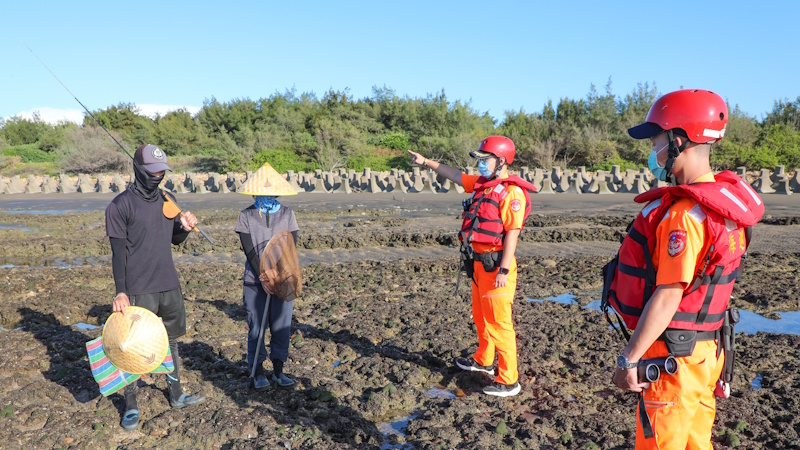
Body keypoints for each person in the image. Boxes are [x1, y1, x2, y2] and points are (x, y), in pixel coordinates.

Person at [602, 89, 764, 449]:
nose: (652, 150)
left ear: (677, 141)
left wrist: (628, 359)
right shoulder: (726, 207)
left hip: (673, 361)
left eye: (656, 139)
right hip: (708, 354)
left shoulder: (683, 216)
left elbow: (669, 293)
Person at [408, 136, 536, 397]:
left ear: (501, 161)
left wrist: (503, 269)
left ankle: (509, 380)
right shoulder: (485, 185)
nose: (480, 165)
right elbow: (455, 175)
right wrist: (426, 162)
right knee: (481, 316)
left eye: (484, 160)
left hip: (496, 267)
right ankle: (484, 361)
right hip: (478, 265)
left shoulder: (511, 192)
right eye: (479, 160)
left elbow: (512, 233)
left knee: (500, 323)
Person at [105, 144, 205, 431]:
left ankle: (176, 395)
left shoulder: (167, 198)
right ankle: (132, 406)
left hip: (168, 283)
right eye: (152, 171)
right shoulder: (119, 206)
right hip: (138, 288)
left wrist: (184, 228)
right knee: (132, 346)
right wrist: (120, 291)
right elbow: (117, 254)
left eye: (162, 171)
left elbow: (174, 240)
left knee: (170, 341)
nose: (158, 175)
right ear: (138, 169)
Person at [234, 162, 300, 390]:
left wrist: (276, 274)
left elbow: (290, 246)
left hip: (283, 280)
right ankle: (258, 371)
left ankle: (279, 371)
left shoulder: (288, 214)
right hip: (254, 281)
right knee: (256, 326)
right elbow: (248, 248)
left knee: (282, 325)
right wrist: (263, 274)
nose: (266, 194)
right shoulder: (246, 215)